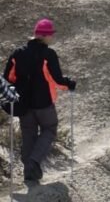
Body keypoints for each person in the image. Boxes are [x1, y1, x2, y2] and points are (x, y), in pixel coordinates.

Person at [3, 19, 76, 183]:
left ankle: (29, 174)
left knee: (28, 134)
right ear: (44, 36)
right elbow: (57, 79)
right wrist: (70, 84)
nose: (53, 38)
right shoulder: (48, 54)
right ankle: (34, 161)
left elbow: (8, 79)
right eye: (51, 35)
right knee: (49, 130)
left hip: (23, 105)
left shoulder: (17, 53)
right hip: (44, 103)